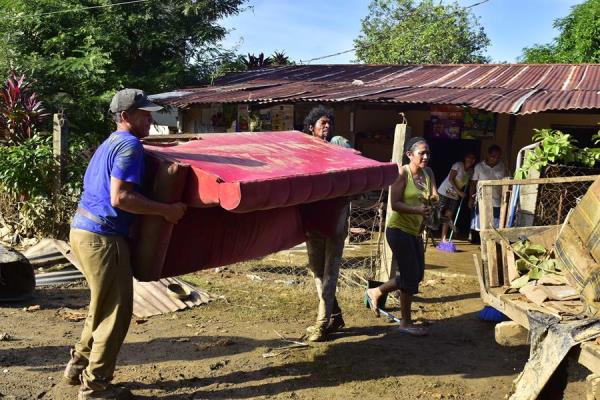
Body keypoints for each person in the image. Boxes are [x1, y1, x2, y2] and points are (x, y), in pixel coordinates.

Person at [63, 89, 187, 400]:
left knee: (101, 306)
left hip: (83, 230)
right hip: (103, 238)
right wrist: (166, 210)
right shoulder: (129, 146)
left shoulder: (109, 143)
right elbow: (121, 197)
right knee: (116, 313)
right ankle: (96, 388)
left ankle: (78, 366)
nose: (150, 118)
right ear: (124, 117)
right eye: (144, 113)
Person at [366, 137, 438, 337]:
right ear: (409, 154)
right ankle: (405, 322)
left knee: (417, 275)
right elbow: (395, 204)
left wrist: (433, 204)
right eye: (421, 153)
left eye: (427, 153)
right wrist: (417, 209)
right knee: (409, 277)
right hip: (398, 231)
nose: (425, 156)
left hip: (415, 231)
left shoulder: (428, 173)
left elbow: (434, 196)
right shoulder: (402, 173)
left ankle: (377, 291)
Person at [302, 105, 351, 342]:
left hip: (335, 219)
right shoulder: (305, 151)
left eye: (329, 122)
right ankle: (336, 315)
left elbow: (353, 166)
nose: (327, 126)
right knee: (316, 272)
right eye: (322, 123)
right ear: (311, 128)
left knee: (330, 273)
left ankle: (321, 324)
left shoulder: (338, 144)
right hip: (312, 220)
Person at [468, 145, 507, 241]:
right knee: (481, 224)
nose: (495, 159)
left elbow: (506, 182)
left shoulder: (502, 166)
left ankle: (492, 243)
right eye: (493, 156)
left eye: (498, 157)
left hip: (497, 200)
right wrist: (470, 198)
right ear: (488, 155)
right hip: (482, 200)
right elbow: (473, 183)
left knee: (495, 224)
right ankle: (482, 242)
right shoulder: (479, 167)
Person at [437, 153, 476, 243]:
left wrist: (468, 196)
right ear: (465, 158)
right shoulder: (458, 165)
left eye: (473, 159)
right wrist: (459, 192)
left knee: (448, 217)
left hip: (454, 196)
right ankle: (425, 231)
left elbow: (470, 185)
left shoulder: (470, 171)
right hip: (444, 192)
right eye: (469, 157)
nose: (471, 160)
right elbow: (451, 179)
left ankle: (443, 239)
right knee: (436, 214)